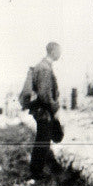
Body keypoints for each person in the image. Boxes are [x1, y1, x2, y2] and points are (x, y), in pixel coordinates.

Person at [28, 42, 62, 178]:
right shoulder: (44, 68)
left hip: (42, 109)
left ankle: (37, 170)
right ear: (53, 51)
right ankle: (36, 172)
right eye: (59, 51)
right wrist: (54, 108)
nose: (60, 54)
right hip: (44, 110)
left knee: (43, 139)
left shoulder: (44, 66)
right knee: (43, 140)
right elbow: (44, 94)